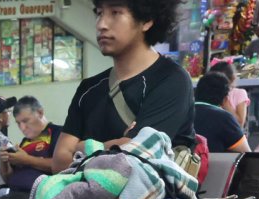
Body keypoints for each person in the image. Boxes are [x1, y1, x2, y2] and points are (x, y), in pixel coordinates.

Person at [54, 0, 195, 172]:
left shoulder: (171, 80)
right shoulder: (88, 89)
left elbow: (135, 157)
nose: (101, 24)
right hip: (85, 196)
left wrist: (82, 148)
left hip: (154, 197)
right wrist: (114, 146)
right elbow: (59, 162)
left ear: (147, 20)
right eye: (99, 13)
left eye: (115, 13)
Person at [194, 72, 251, 153]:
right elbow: (246, 154)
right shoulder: (224, 118)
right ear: (225, 99)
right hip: (212, 165)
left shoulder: (181, 112)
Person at [209, 61, 250, 129]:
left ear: (232, 79)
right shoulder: (208, 94)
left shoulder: (239, 94)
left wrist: (226, 104)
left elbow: (240, 124)